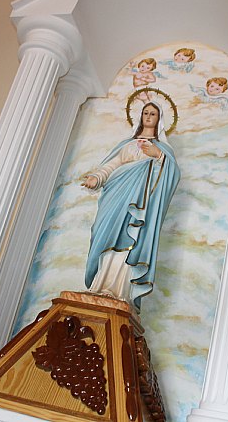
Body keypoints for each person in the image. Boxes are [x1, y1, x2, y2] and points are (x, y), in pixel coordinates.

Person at [81, 102, 180, 310]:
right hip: (116, 197)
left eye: (153, 114)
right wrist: (96, 178)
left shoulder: (162, 148)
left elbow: (171, 174)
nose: (149, 116)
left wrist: (158, 155)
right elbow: (112, 165)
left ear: (159, 119)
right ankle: (99, 285)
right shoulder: (127, 144)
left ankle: (120, 291)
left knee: (131, 239)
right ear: (140, 116)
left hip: (139, 206)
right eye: (145, 113)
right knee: (104, 232)